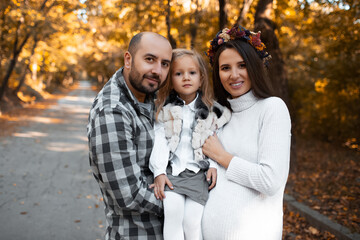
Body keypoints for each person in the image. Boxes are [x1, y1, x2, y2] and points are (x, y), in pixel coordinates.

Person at [201, 25, 292, 240]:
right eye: (225, 68)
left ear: (255, 67)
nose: (234, 75)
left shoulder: (272, 108)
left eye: (242, 65)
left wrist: (222, 157)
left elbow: (270, 181)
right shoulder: (220, 114)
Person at [87, 32, 172, 240]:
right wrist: (184, 202)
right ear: (128, 59)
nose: (157, 70)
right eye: (150, 59)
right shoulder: (112, 111)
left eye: (165, 64)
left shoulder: (150, 97)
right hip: (137, 234)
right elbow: (129, 194)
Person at [149, 49, 231, 240]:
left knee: (192, 222)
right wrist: (159, 172)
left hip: (198, 176)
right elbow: (160, 140)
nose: (186, 78)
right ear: (171, 80)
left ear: (201, 78)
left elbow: (215, 140)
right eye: (179, 74)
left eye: (192, 73)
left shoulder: (211, 111)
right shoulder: (165, 110)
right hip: (173, 174)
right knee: (172, 216)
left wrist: (212, 165)